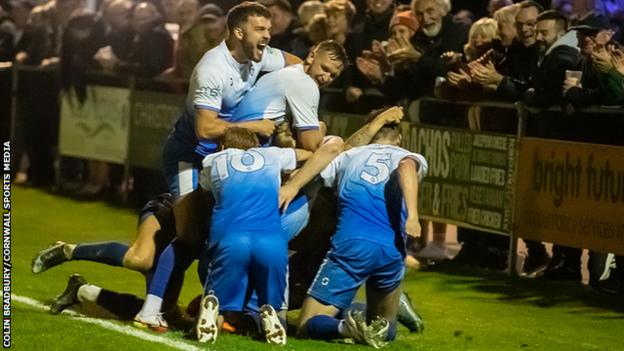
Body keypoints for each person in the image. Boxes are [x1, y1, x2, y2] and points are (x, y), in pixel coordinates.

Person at [134, 2, 301, 331]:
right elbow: (205, 128)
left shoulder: (261, 55)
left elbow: (296, 64)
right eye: (261, 30)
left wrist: (295, 91)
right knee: (189, 234)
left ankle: (223, 307)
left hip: (224, 155)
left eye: (269, 30)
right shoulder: (212, 68)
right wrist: (256, 125)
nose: (269, 36)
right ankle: (151, 309)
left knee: (221, 230)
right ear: (239, 33)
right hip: (190, 156)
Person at [279, 107, 428, 347]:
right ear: (399, 138)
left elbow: (326, 160)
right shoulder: (410, 155)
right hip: (393, 250)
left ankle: (345, 326)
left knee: (308, 323)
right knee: (384, 329)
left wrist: (293, 185)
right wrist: (412, 215)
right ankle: (384, 313)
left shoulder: (349, 156)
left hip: (352, 246)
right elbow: (406, 166)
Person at [195, 127, 312, 345]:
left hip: (231, 236)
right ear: (256, 146)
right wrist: (289, 177)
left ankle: (215, 313)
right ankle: (269, 310)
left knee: (218, 294)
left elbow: (206, 191)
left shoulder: (213, 160)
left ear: (223, 147)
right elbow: (308, 155)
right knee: (271, 293)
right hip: (271, 240)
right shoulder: (273, 155)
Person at [230, 39, 349, 151]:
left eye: (333, 76)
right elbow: (310, 145)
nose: (326, 78)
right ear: (311, 57)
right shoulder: (305, 83)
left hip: (233, 140)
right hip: (246, 146)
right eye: (324, 68)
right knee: (329, 146)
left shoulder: (287, 72)